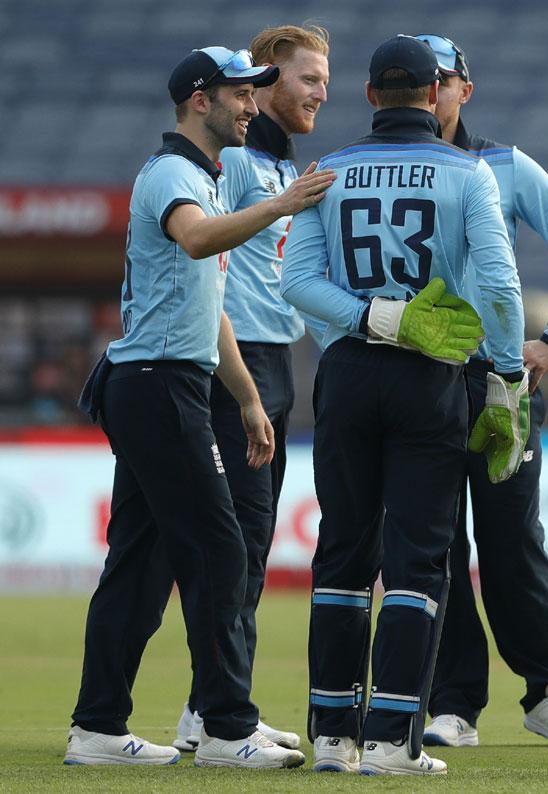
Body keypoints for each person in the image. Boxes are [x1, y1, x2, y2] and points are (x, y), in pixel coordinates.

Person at [67, 45, 334, 769]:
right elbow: (193, 242)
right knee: (218, 549)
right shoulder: (175, 176)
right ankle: (223, 727)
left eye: (254, 94)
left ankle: (96, 728)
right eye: (239, 95)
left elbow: (209, 301)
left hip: (169, 380)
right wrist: (276, 204)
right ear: (198, 99)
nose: (252, 106)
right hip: (156, 384)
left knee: (141, 562)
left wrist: (247, 399)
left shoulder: (204, 178)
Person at [280, 34, 528, 776]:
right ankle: (391, 739)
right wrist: (507, 379)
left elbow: (296, 283)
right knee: (419, 559)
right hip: (432, 375)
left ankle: (330, 734)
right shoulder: (470, 173)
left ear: (368, 96)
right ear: (433, 95)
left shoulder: (327, 170)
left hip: (350, 372)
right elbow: (503, 287)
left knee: (343, 553)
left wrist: (370, 318)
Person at [412, 33, 548, 751]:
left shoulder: (505, 164)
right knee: (433, 544)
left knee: (511, 538)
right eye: (418, 81)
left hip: (498, 379)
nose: (432, 93)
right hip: (417, 377)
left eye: (443, 81)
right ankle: (453, 703)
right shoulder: (386, 168)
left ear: (467, 89)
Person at [172, 23, 331, 756]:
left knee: (251, 547)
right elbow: (206, 257)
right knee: (232, 549)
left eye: (325, 79)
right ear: (265, 81)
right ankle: (213, 716)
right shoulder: (237, 164)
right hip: (236, 364)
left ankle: (217, 704)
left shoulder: (276, 163)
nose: (319, 91)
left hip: (274, 363)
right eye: (307, 77)